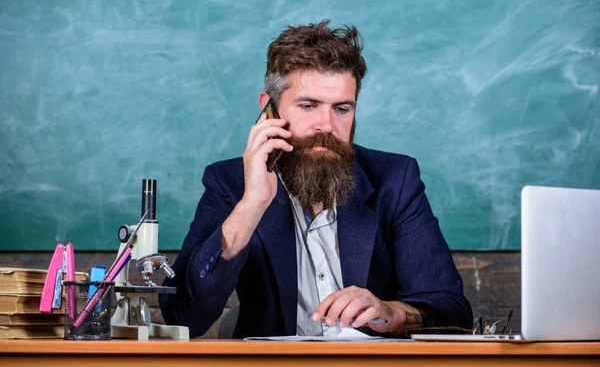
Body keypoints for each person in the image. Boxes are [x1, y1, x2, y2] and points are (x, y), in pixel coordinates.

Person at [159, 20, 473, 338]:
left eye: (341, 109)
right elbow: (183, 317)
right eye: (308, 106)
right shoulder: (229, 183)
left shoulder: (395, 179)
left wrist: (387, 312)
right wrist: (252, 204)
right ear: (268, 109)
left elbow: (452, 311)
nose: (326, 124)